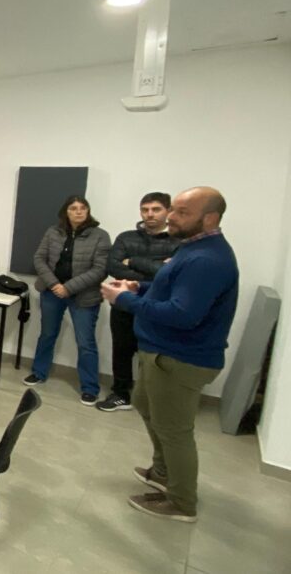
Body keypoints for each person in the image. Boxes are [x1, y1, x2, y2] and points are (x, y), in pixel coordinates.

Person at [102, 187, 238, 523]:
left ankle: (181, 502)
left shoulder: (206, 259)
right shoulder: (192, 250)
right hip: (160, 351)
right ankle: (163, 473)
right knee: (145, 405)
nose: (171, 217)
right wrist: (140, 287)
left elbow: (182, 314)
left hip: (180, 359)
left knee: (174, 430)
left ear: (210, 219)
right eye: (173, 210)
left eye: (181, 212)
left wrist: (125, 301)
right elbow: (170, 289)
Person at [97, 192, 180, 413]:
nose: (149, 214)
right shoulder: (126, 237)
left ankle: (149, 398)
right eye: (145, 209)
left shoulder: (178, 241)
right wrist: (156, 267)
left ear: (168, 211)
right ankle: (121, 394)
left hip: (157, 307)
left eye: (156, 209)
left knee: (152, 355)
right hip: (123, 302)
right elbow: (113, 267)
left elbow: (169, 274)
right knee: (122, 350)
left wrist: (132, 261)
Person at [25, 195, 111, 406]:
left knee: (86, 342)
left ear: (88, 211)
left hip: (84, 296)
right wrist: (55, 285)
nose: (79, 211)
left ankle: (90, 387)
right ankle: (39, 372)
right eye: (74, 208)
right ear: (66, 211)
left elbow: (100, 269)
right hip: (52, 292)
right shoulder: (53, 231)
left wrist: (68, 288)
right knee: (47, 334)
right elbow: (39, 258)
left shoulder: (100, 236)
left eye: (83, 208)